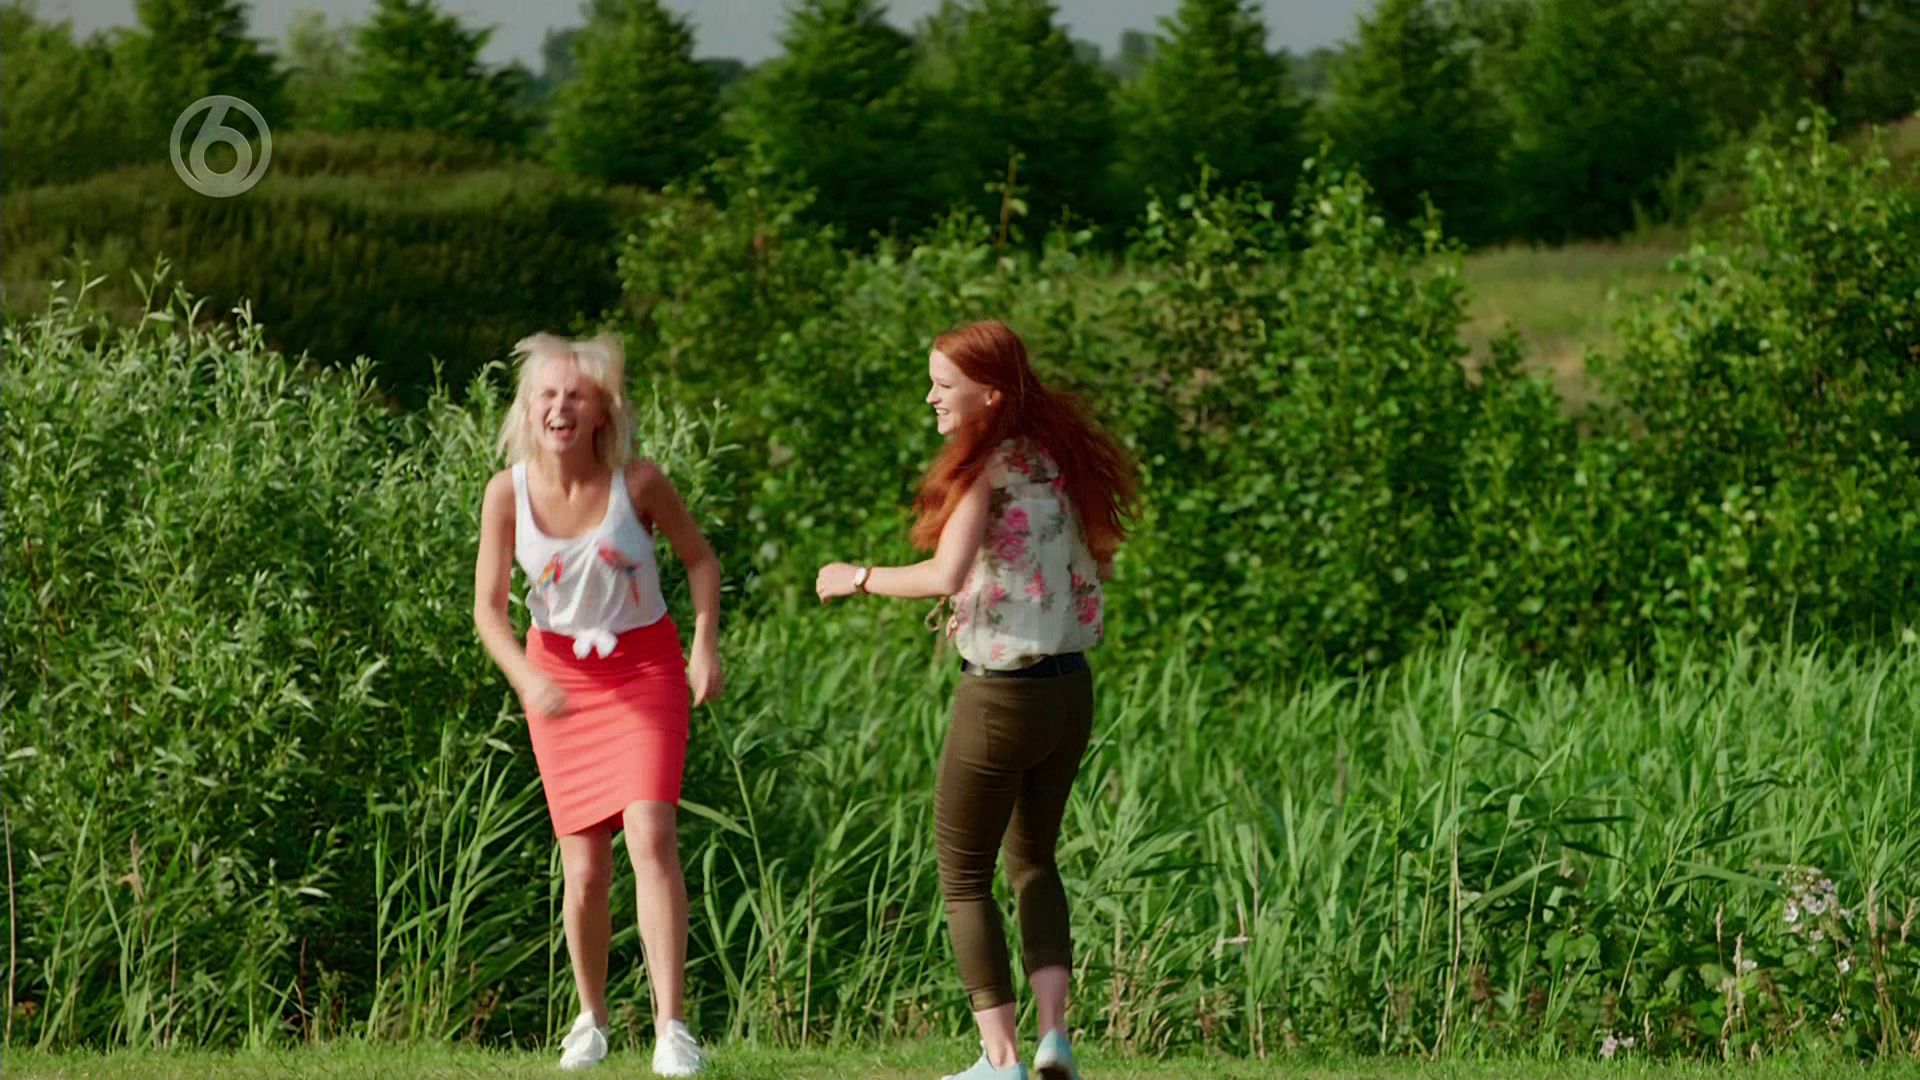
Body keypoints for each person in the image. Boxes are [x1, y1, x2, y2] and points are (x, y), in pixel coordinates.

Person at [816, 320, 1137, 1080]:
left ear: (989, 395)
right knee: (1035, 863)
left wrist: (854, 577)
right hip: (1070, 691)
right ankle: (1054, 1038)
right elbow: (1099, 563)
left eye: (943, 385)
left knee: (963, 876)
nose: (931, 397)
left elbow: (945, 573)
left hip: (1000, 699)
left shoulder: (983, 470)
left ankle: (1001, 1060)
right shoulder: (1062, 460)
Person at [473, 332, 722, 1076]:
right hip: (559, 681)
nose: (561, 408)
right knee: (584, 869)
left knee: (651, 833)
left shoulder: (638, 483)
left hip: (645, 670)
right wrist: (526, 678)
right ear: (528, 409)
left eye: (576, 396)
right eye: (548, 395)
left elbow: (701, 562)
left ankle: (672, 1029)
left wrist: (704, 646)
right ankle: (591, 1019)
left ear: (601, 412)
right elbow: (489, 611)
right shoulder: (506, 493)